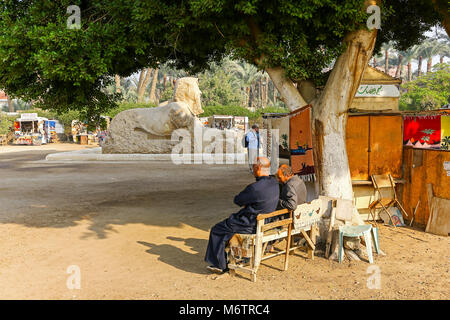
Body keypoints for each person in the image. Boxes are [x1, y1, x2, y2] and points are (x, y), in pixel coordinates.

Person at [205, 157, 279, 273]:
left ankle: (219, 265)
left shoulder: (254, 188)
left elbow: (238, 200)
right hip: (267, 221)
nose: (252, 169)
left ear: (258, 168)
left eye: (253, 166)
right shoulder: (274, 183)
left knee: (217, 229)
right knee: (227, 227)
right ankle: (234, 256)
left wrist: (248, 204)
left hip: (250, 223)